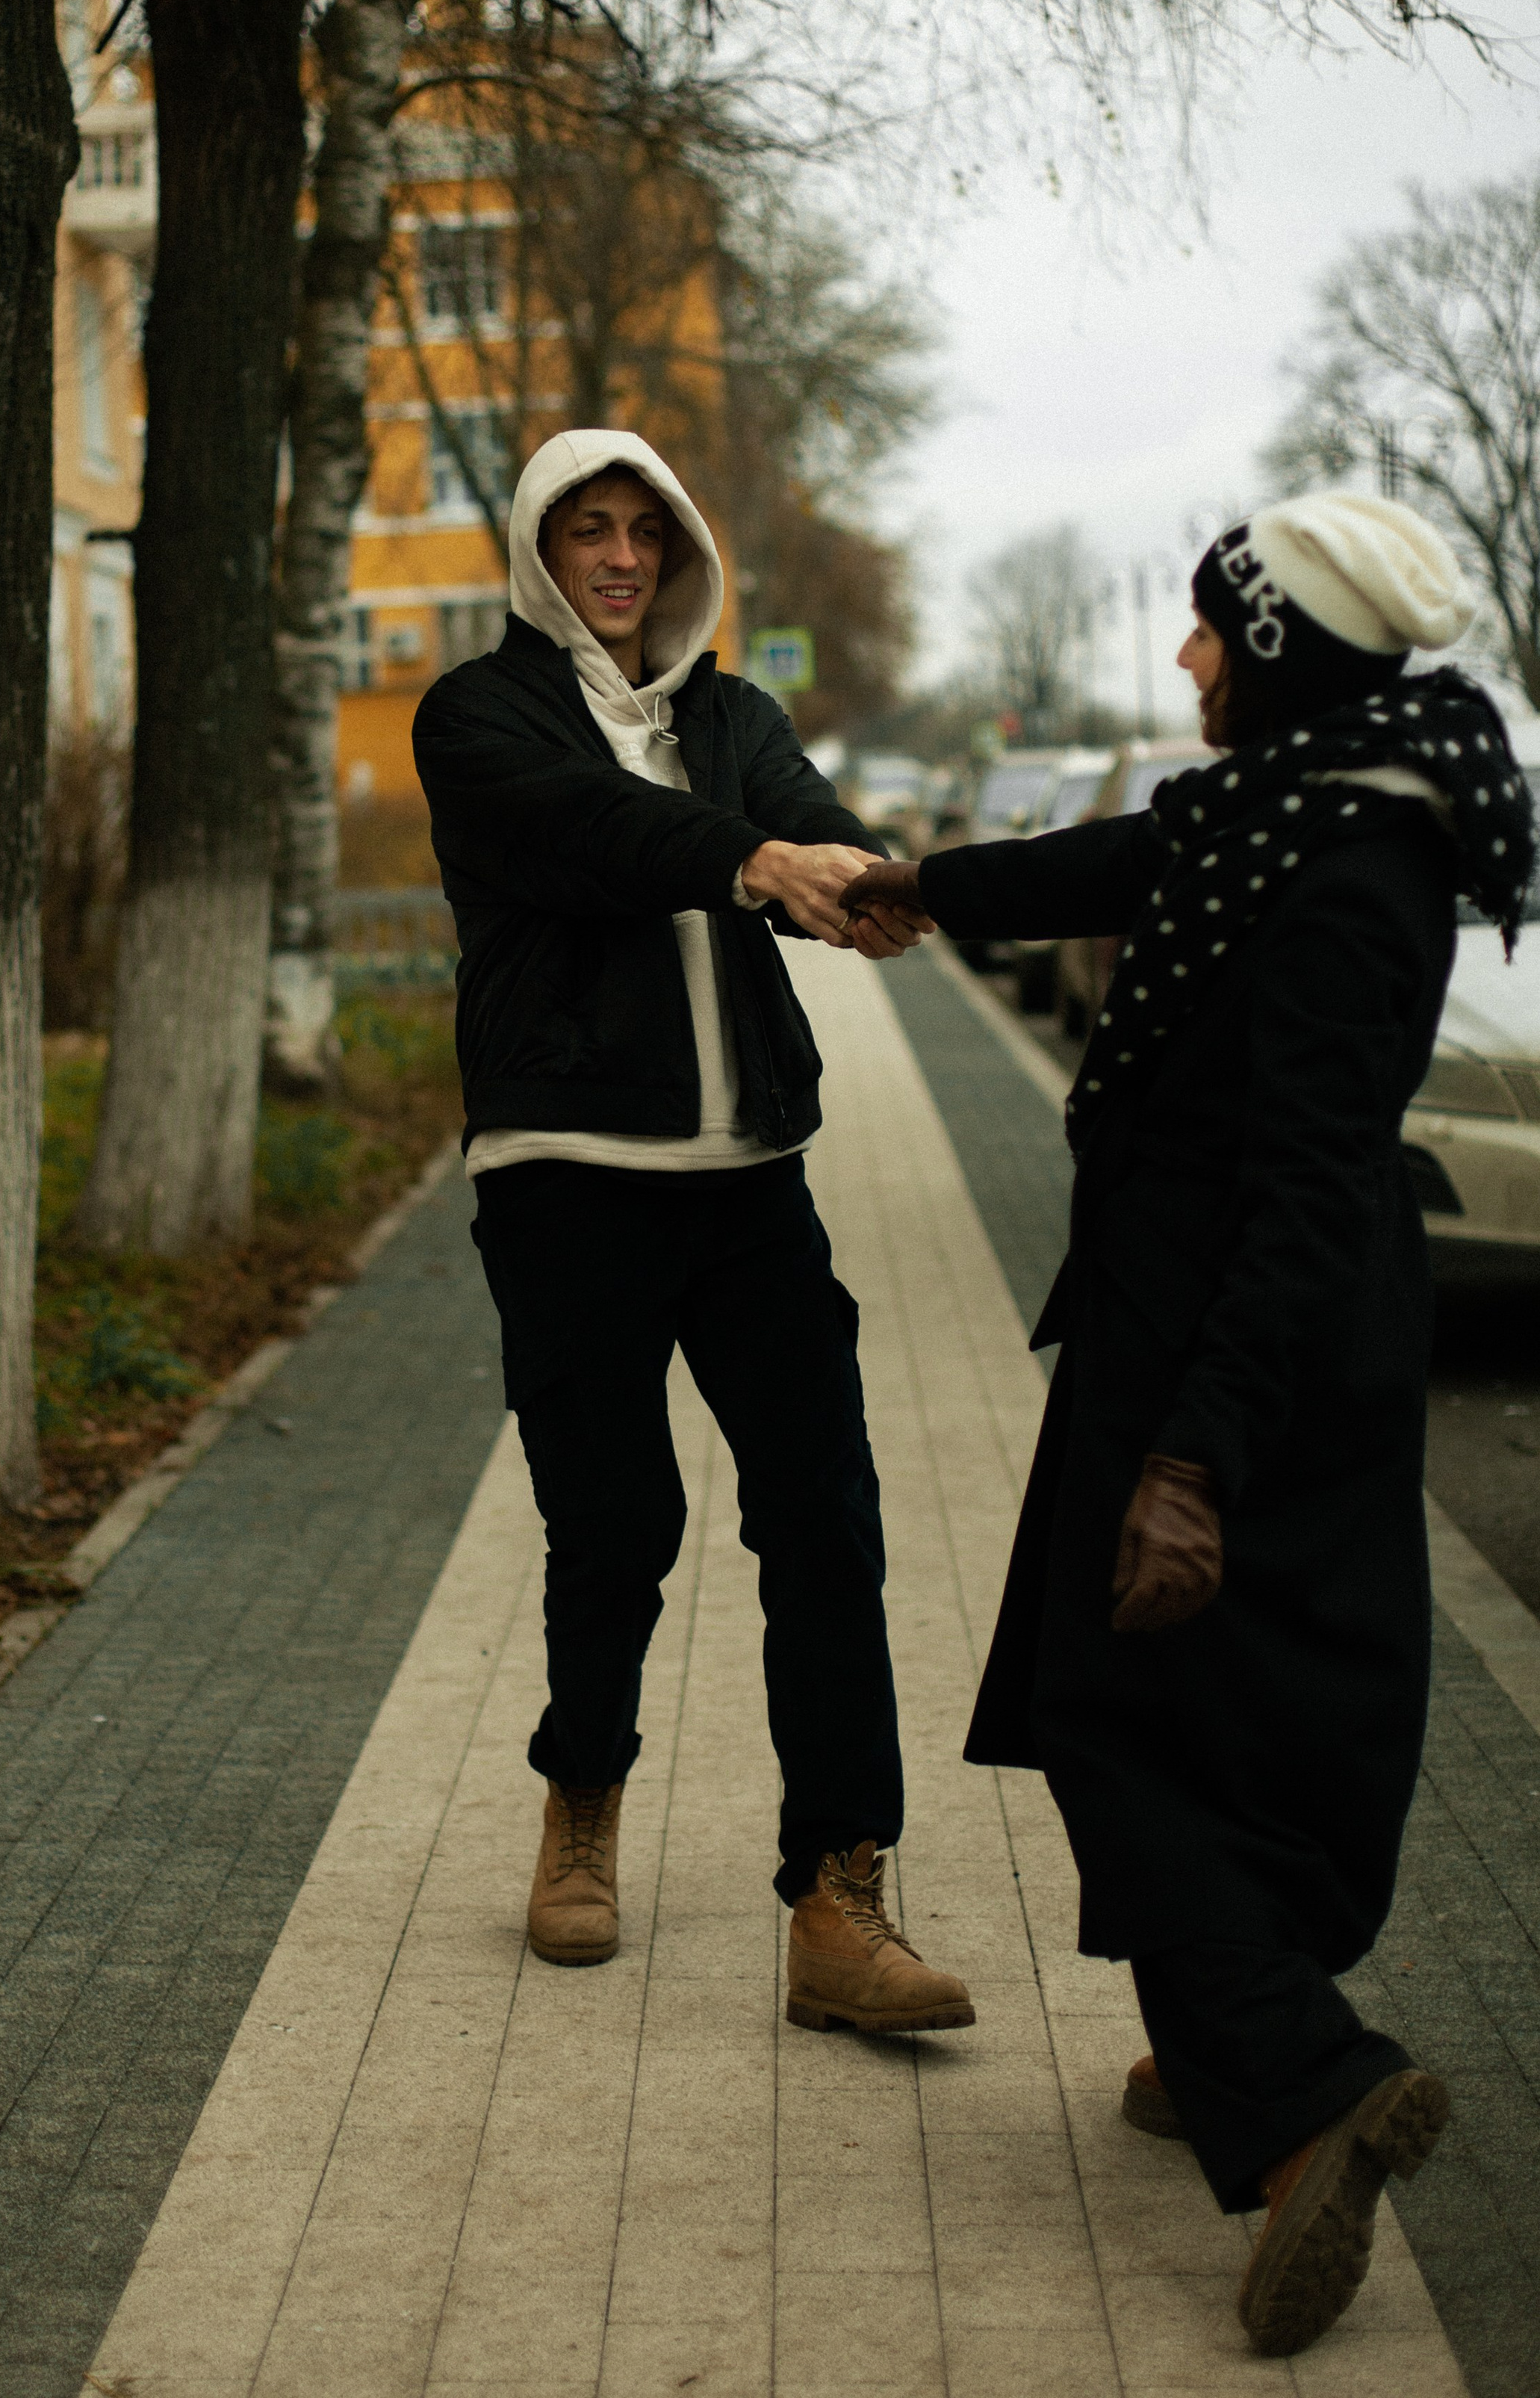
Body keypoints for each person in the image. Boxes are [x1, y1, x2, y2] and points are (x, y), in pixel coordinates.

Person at [845, 489, 1536, 2358]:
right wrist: (913, 882)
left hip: (1233, 1351)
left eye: (1210, 633)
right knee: (1229, 1703)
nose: (1185, 661)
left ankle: (1304, 2088)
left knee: (1103, 1702)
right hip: (1244, 1335)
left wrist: (1185, 1459)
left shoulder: (1341, 872)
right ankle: (1217, 2037)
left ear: (1283, 651)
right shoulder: (1296, 805)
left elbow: (1308, 1185)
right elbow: (1127, 856)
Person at [413, 426, 975, 2037]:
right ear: (538, 551)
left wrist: (878, 884)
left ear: (670, 554)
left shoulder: (732, 717)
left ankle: (839, 1896)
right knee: (616, 1526)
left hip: (748, 1187)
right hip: (568, 1175)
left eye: (639, 534)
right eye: (584, 531)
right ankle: (580, 1800)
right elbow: (600, 842)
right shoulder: (479, 716)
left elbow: (807, 818)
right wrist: (750, 861)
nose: (615, 559)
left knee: (825, 1517)